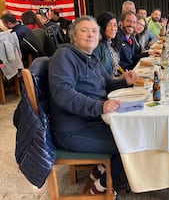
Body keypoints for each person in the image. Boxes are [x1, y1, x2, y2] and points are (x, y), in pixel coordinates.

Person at [48, 16, 138, 195]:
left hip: (93, 121)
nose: (91, 34)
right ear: (73, 35)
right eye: (84, 30)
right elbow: (63, 94)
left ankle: (99, 171)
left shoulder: (92, 58)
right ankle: (100, 187)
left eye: (94, 31)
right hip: (72, 130)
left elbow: (107, 84)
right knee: (130, 141)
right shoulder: (64, 55)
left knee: (133, 132)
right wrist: (100, 106)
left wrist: (124, 81)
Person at [93, 11, 123, 77]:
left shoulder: (112, 43)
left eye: (115, 25)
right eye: (108, 25)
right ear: (101, 27)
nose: (113, 28)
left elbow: (116, 66)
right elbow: (97, 75)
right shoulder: (97, 47)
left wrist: (124, 74)